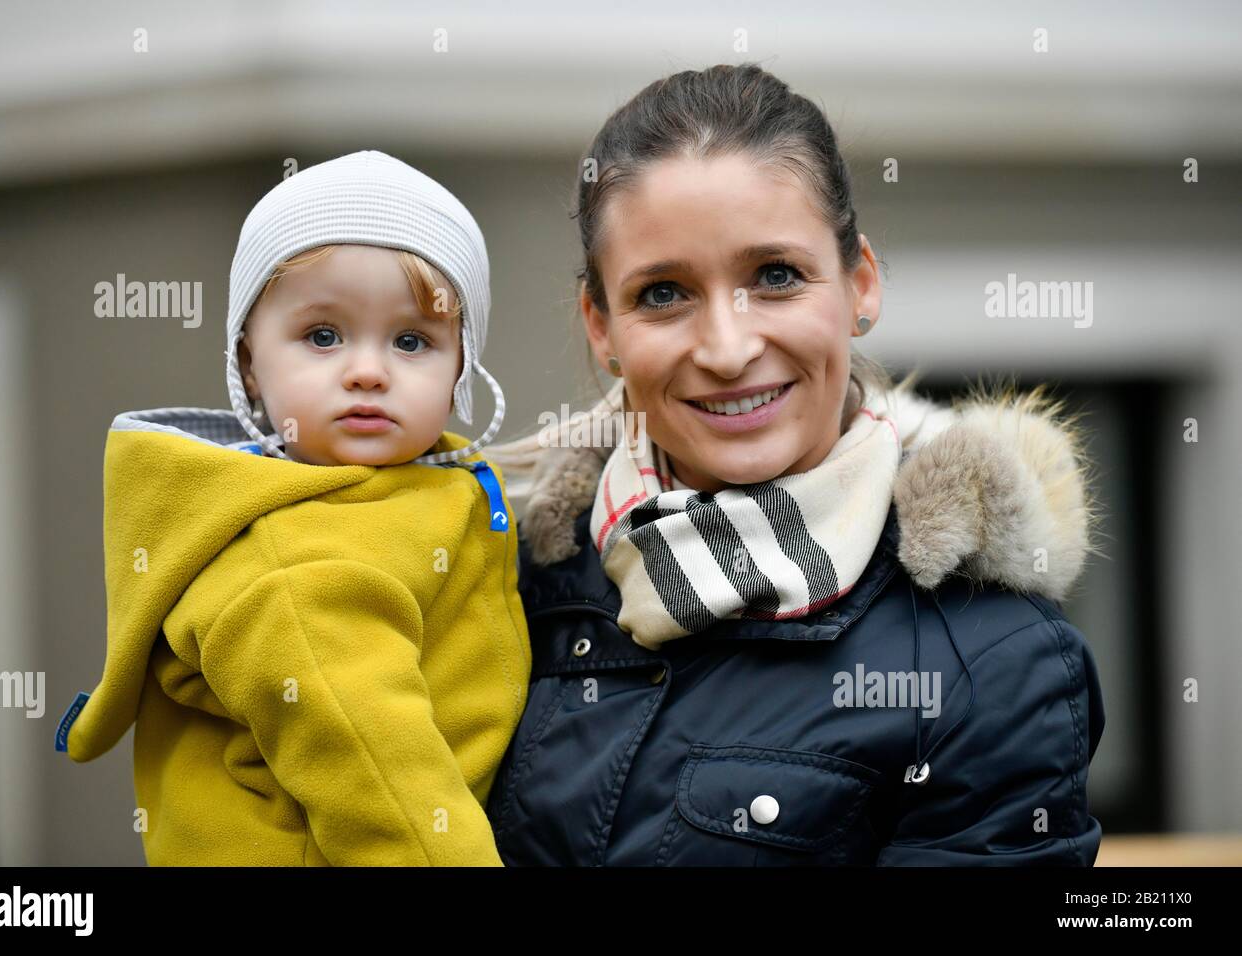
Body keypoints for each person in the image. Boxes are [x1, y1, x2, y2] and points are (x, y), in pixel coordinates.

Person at [483, 64, 1105, 865]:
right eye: (664, 294)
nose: (729, 347)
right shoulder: (513, 579)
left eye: (775, 276)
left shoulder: (991, 661)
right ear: (601, 326)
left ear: (860, 285)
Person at [57, 150, 531, 866]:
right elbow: (378, 775)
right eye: (322, 336)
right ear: (249, 362)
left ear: (463, 363)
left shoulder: (426, 486)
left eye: (412, 341)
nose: (367, 371)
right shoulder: (295, 557)